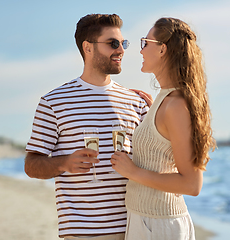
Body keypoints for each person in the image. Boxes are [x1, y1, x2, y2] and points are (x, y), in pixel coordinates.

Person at [24, 14, 149, 240]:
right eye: (113, 43)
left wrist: (159, 110)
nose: (121, 50)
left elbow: (155, 160)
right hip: (84, 233)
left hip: (137, 228)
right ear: (88, 47)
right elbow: (32, 165)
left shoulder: (136, 102)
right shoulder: (54, 102)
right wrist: (65, 163)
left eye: (124, 43)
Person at [110, 17, 216, 240]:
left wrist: (133, 173)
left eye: (145, 43)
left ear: (162, 49)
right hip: (146, 221)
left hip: (159, 226)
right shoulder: (165, 100)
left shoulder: (176, 105)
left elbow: (192, 184)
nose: (140, 51)